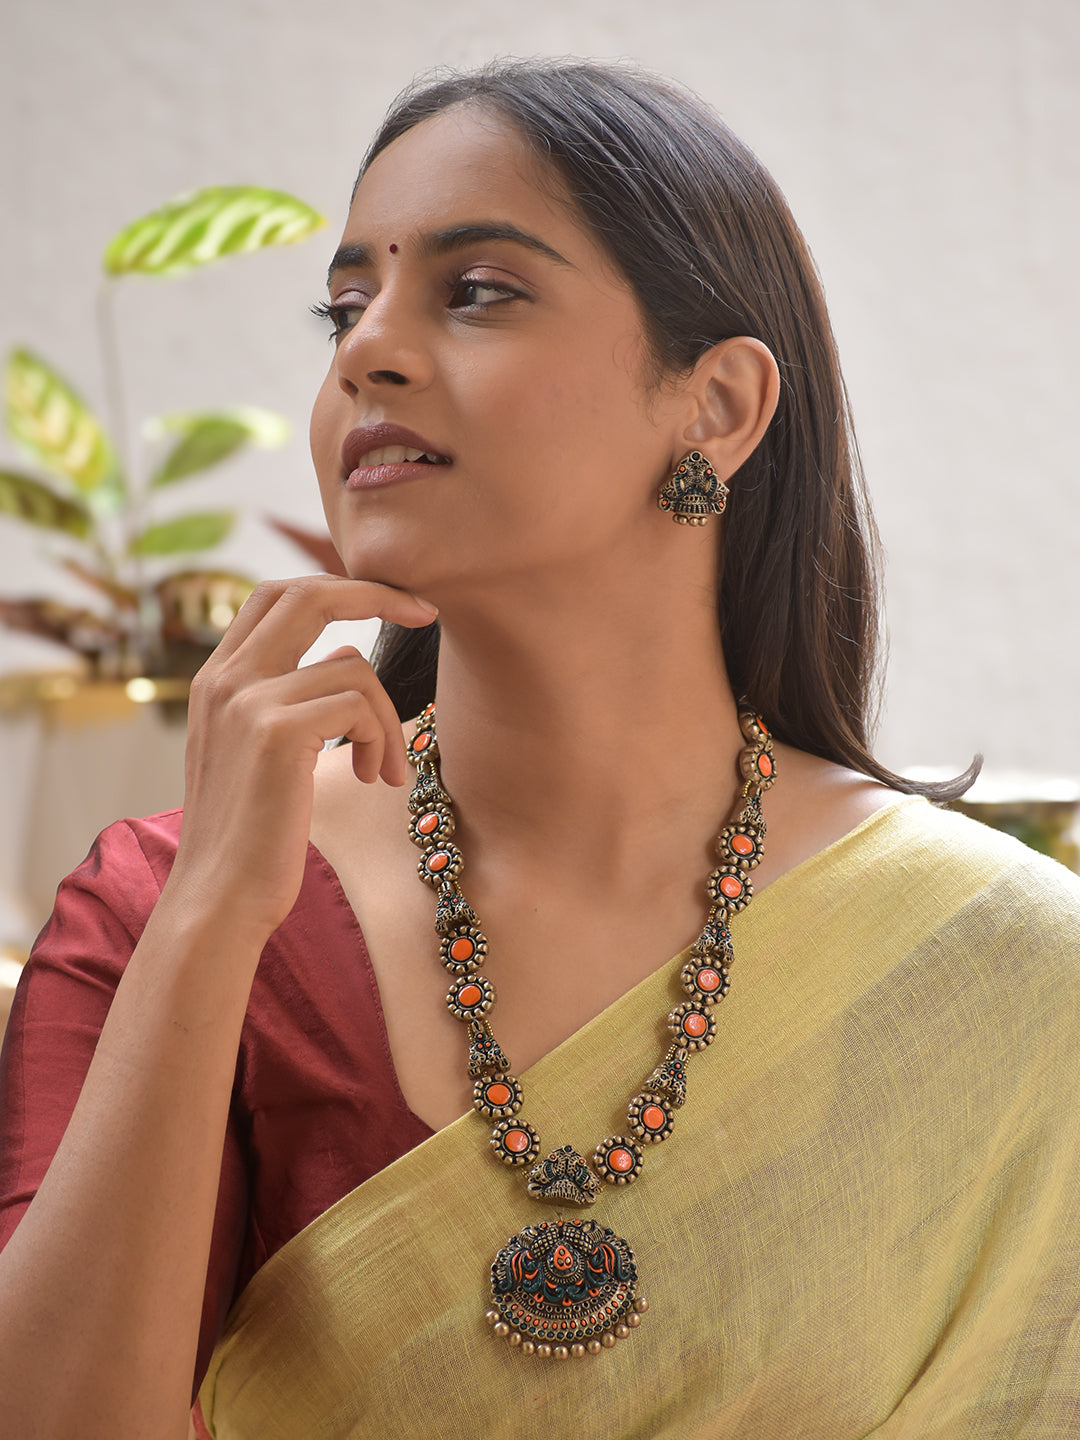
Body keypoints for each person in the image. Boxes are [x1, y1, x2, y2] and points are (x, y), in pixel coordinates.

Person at [0, 59, 1077, 1440]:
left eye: (477, 290)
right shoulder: (164, 909)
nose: (365, 350)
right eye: (344, 307)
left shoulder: (1007, 979)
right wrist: (210, 927)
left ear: (721, 407)